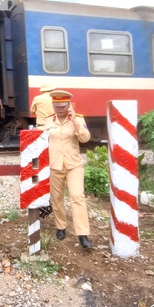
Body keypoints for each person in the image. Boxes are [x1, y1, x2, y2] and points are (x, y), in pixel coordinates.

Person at [42, 90, 93, 248]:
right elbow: (42, 140)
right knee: (56, 198)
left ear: (69, 105)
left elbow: (85, 138)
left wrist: (75, 122)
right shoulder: (48, 121)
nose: (59, 109)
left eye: (63, 106)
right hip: (54, 165)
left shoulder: (78, 119)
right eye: (56, 106)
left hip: (73, 165)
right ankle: (61, 227)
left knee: (77, 197)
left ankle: (83, 234)